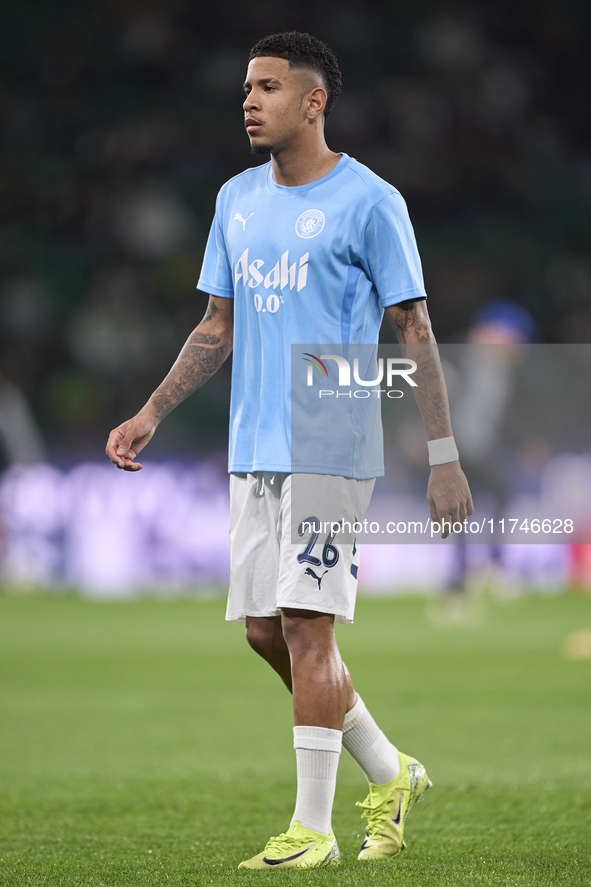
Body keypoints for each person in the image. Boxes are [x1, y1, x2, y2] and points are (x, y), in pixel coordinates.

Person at [106, 31, 473, 870]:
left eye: (268, 86)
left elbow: (411, 324)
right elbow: (217, 324)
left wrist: (442, 452)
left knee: (308, 628)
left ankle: (313, 826)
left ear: (314, 101)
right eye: (246, 86)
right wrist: (152, 411)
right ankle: (390, 769)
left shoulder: (371, 201)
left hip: (329, 440)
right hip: (253, 445)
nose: (249, 99)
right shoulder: (235, 198)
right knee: (263, 632)